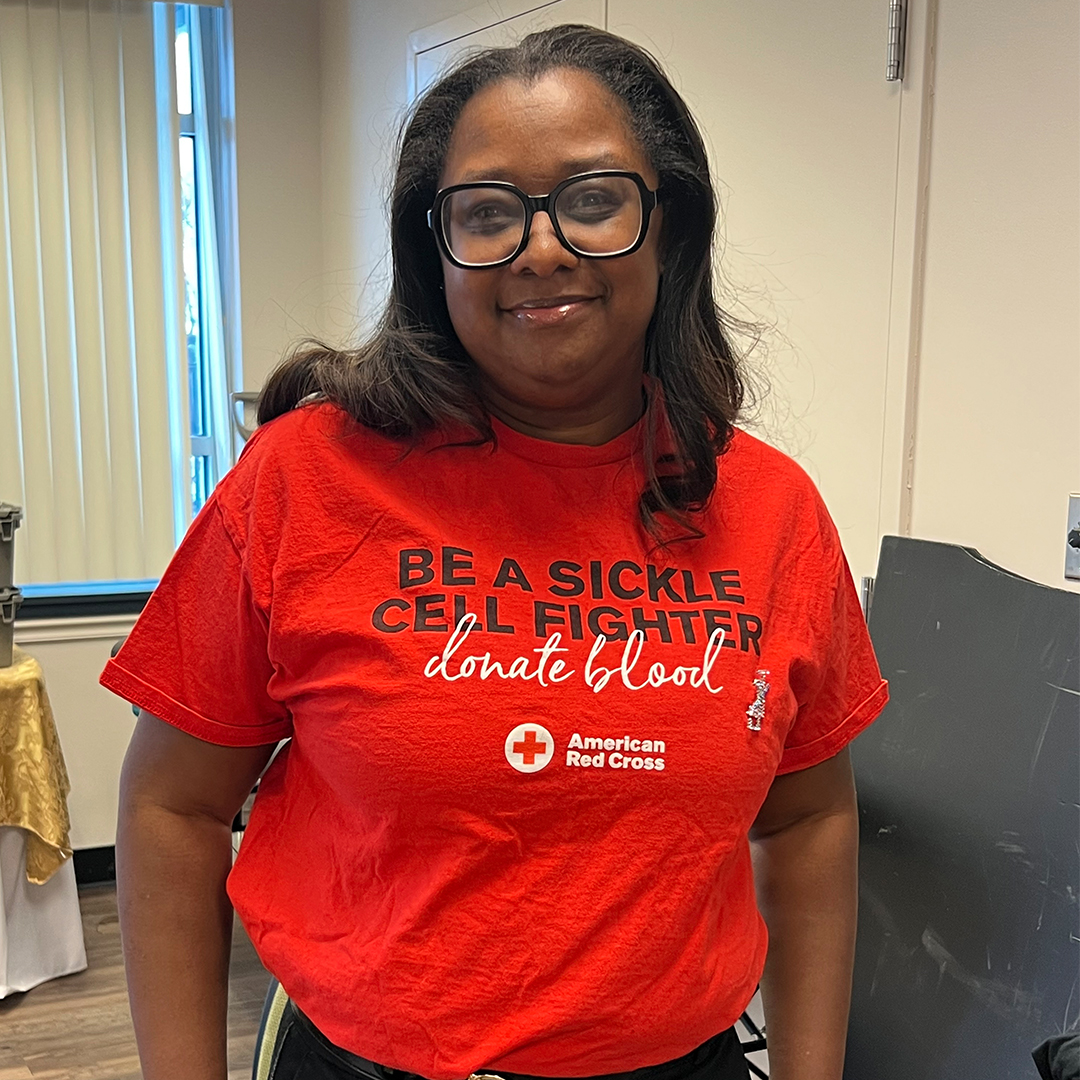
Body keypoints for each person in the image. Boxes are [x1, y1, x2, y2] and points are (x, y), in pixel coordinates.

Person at [102, 24, 888, 1080]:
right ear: (436, 251)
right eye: (486, 213)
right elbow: (173, 806)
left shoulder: (773, 512)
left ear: (672, 229)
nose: (541, 247)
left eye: (593, 198)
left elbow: (808, 821)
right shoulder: (304, 482)